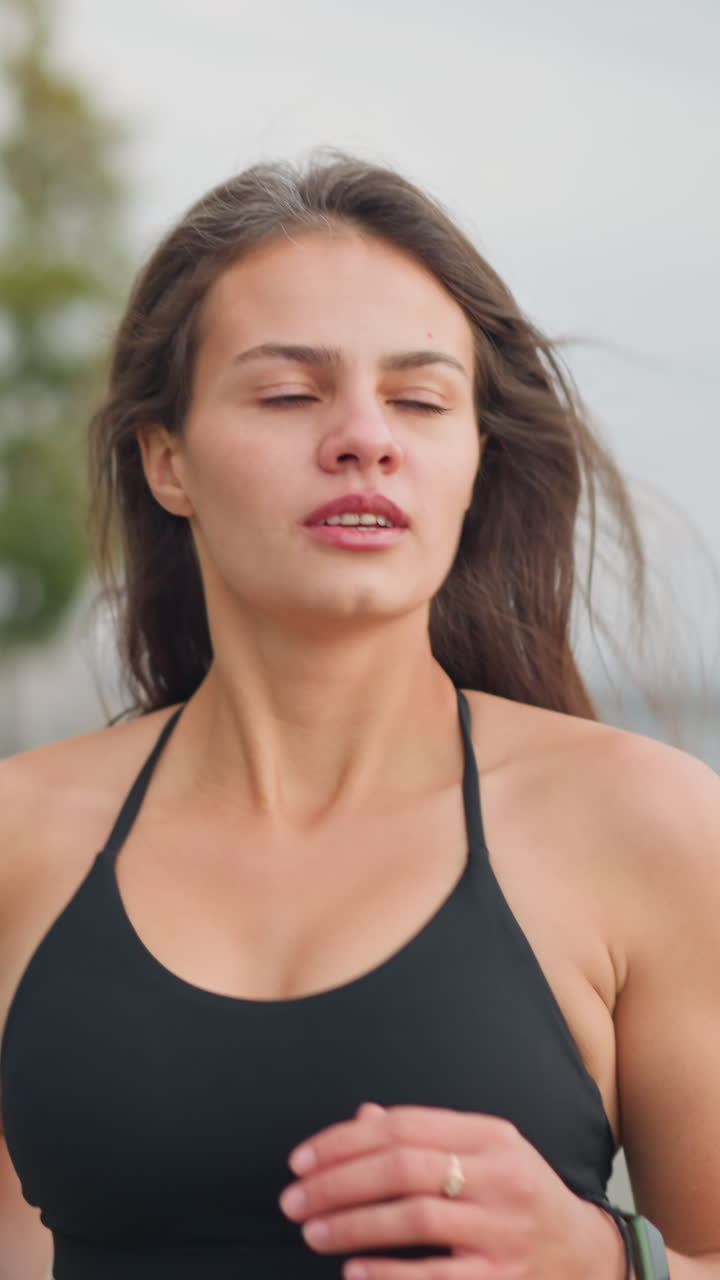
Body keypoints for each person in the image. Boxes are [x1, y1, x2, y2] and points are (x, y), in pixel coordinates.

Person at [0, 153, 718, 1280]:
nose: (364, 436)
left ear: (474, 458)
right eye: (290, 392)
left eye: (421, 399)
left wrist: (616, 1260)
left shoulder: (649, 824)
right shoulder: (21, 835)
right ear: (167, 459)